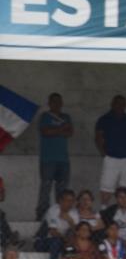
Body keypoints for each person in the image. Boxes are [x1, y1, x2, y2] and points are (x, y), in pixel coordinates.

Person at [93, 94, 126, 205]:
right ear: (112, 104)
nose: (121, 106)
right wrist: (103, 152)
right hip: (111, 158)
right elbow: (98, 137)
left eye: (123, 104)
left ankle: (124, 211)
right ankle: (104, 210)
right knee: (107, 186)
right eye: (118, 104)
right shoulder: (104, 119)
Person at [34, 93, 73, 221]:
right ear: (49, 103)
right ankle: (42, 214)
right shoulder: (45, 116)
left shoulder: (66, 117)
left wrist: (55, 130)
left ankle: (60, 214)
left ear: (62, 103)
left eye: (59, 101)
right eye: (54, 101)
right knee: (46, 186)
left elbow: (70, 132)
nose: (57, 104)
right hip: (48, 159)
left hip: (63, 159)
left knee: (62, 188)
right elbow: (45, 132)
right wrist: (61, 129)